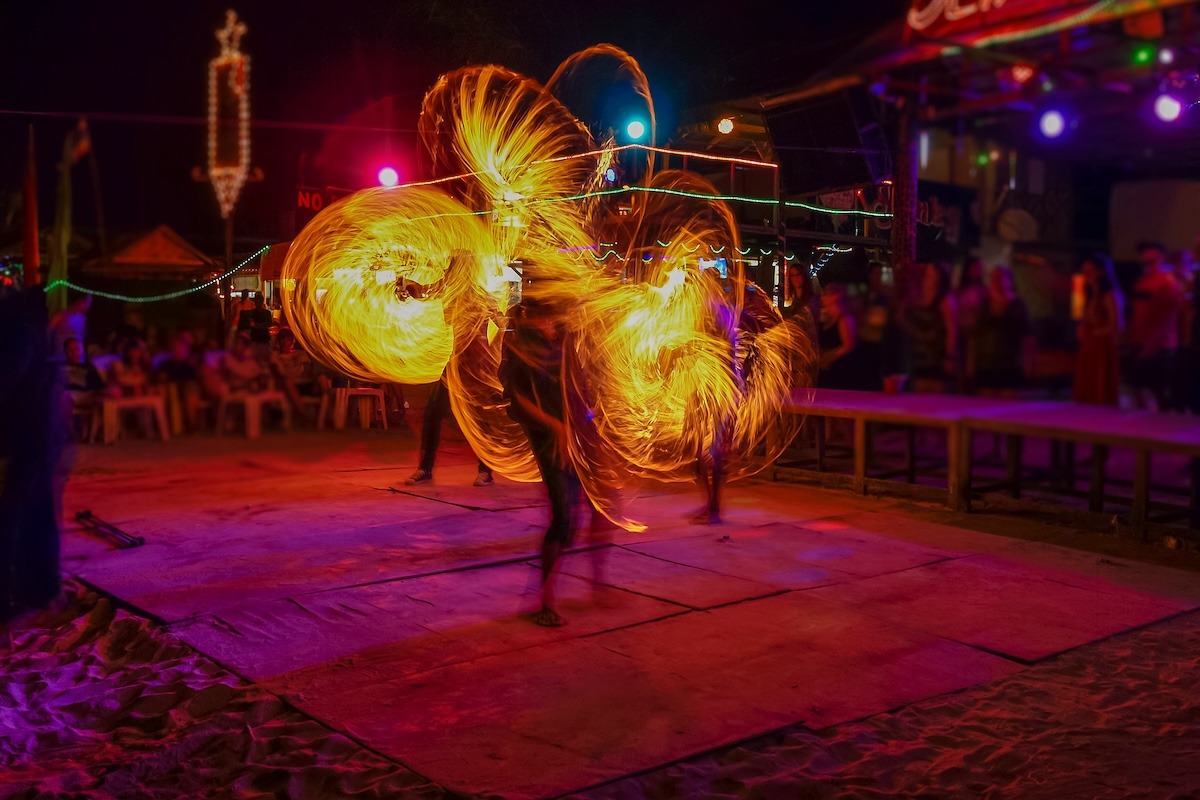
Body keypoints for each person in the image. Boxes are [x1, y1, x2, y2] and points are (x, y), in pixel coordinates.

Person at [500, 294, 577, 626]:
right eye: (548, 315)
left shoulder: (562, 342)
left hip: (571, 437)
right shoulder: (521, 346)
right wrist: (554, 426)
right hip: (547, 437)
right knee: (561, 515)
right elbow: (516, 399)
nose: (553, 321)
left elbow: (576, 385)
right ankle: (546, 598)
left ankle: (551, 589)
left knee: (573, 520)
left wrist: (587, 422)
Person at [404, 376, 495, 487]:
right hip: (451, 371)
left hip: (476, 369)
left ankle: (485, 471)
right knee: (433, 412)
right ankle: (425, 468)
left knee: (480, 416)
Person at [1125, 241, 1182, 410]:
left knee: (1158, 389)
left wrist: (1153, 343)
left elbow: (1166, 317)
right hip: (1139, 340)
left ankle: (1161, 429)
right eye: (1145, 258)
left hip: (1160, 343)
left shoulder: (1168, 282)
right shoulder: (1142, 282)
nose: (1147, 261)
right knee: (1136, 385)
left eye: (1152, 258)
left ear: (1161, 258)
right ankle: (1143, 427)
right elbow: (1136, 313)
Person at [973, 265, 1032, 398]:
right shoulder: (985, 305)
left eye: (1001, 277)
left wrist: (1027, 361)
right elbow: (977, 335)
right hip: (987, 364)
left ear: (1009, 280)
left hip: (1010, 364)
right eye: (994, 278)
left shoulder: (1018, 305)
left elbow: (1027, 336)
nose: (998, 281)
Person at [1074, 253, 1124, 406]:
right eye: (1084, 272)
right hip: (1090, 346)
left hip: (1102, 347)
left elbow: (1117, 324)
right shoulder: (1090, 294)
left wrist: (1095, 333)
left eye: (1090, 271)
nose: (1086, 276)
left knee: (1100, 385)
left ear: (1101, 272)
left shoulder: (1110, 294)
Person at [905, 262, 958, 394]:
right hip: (919, 355)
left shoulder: (944, 300)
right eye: (928, 274)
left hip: (937, 356)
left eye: (933, 274)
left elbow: (951, 330)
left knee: (936, 397)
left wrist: (950, 356)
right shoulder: (917, 297)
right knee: (919, 395)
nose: (930, 276)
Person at [817, 284, 862, 389]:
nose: (822, 297)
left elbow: (848, 346)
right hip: (828, 369)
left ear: (836, 296)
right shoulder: (827, 317)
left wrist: (829, 357)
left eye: (826, 294)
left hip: (841, 369)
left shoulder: (845, 319)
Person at [954, 257, 987, 392]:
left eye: (980, 269)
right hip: (960, 335)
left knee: (972, 369)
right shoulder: (959, 292)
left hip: (977, 338)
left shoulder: (984, 292)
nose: (978, 272)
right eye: (975, 268)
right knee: (960, 370)